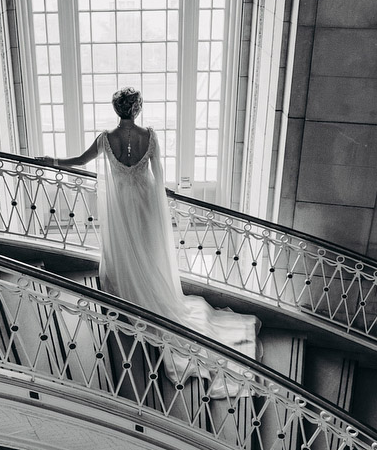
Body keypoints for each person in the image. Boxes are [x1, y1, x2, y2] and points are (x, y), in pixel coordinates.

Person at [37, 88, 259, 363]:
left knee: (125, 249)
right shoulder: (150, 137)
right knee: (148, 249)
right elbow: (157, 174)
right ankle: (151, 294)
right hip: (145, 202)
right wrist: (165, 193)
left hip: (121, 205)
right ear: (137, 109)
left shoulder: (106, 139)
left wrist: (53, 162)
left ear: (116, 109)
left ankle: (130, 296)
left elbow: (81, 161)